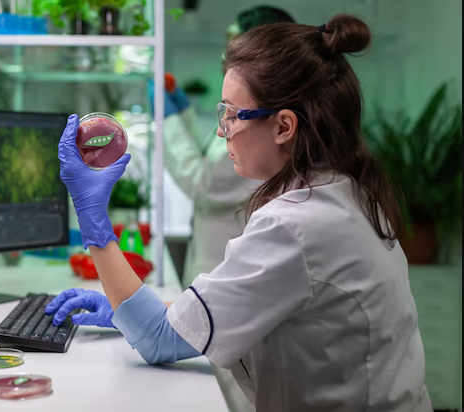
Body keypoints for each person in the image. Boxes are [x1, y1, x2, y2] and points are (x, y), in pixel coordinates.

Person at [49, 14, 433, 412]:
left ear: (284, 126)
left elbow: (158, 340)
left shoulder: (294, 224)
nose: (221, 130)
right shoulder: (347, 191)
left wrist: (91, 215)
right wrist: (123, 313)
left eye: (232, 115)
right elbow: (206, 319)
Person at [153, 6, 295, 290]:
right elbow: (213, 156)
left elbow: (205, 182)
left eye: (232, 45)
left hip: (226, 271)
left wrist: (169, 121)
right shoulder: (253, 121)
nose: (224, 57)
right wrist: (182, 115)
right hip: (217, 264)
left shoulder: (263, 128)